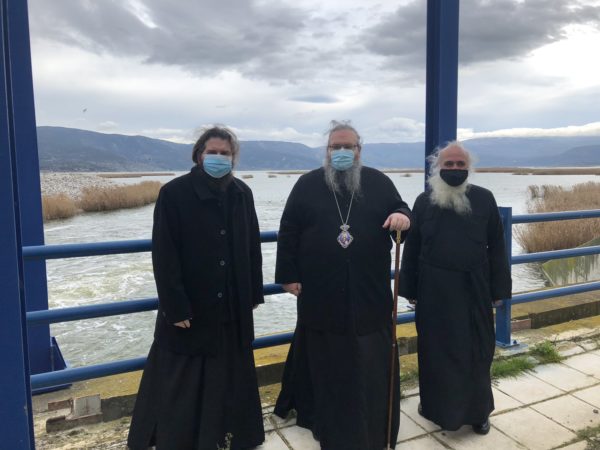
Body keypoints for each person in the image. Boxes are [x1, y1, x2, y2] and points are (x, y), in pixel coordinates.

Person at [273, 121, 411, 449]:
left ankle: (370, 415)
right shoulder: (307, 184)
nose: (342, 152)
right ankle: (323, 418)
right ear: (327, 151)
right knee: (325, 357)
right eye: (336, 147)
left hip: (368, 290)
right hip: (321, 290)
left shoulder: (378, 181)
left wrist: (403, 217)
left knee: (368, 355)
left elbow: (400, 209)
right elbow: (288, 229)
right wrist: (288, 275)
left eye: (349, 146)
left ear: (359, 150)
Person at [128, 126, 265, 449]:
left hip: (232, 305)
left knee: (230, 373)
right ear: (199, 155)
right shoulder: (174, 193)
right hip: (191, 305)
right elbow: (164, 254)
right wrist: (174, 306)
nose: (219, 158)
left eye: (225, 153)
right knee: (182, 378)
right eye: (212, 152)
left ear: (233, 158)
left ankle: (230, 435)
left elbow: (252, 247)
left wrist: (253, 293)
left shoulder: (242, 193)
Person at [399, 141, 512, 434]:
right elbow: (412, 248)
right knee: (434, 351)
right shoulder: (424, 202)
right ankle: (433, 406)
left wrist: (499, 291)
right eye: (448, 164)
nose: (454, 169)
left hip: (474, 289)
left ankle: (478, 413)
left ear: (468, 167)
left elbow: (497, 247)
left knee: (477, 352)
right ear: (437, 167)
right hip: (433, 291)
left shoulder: (484, 199)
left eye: (460, 164)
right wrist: (410, 289)